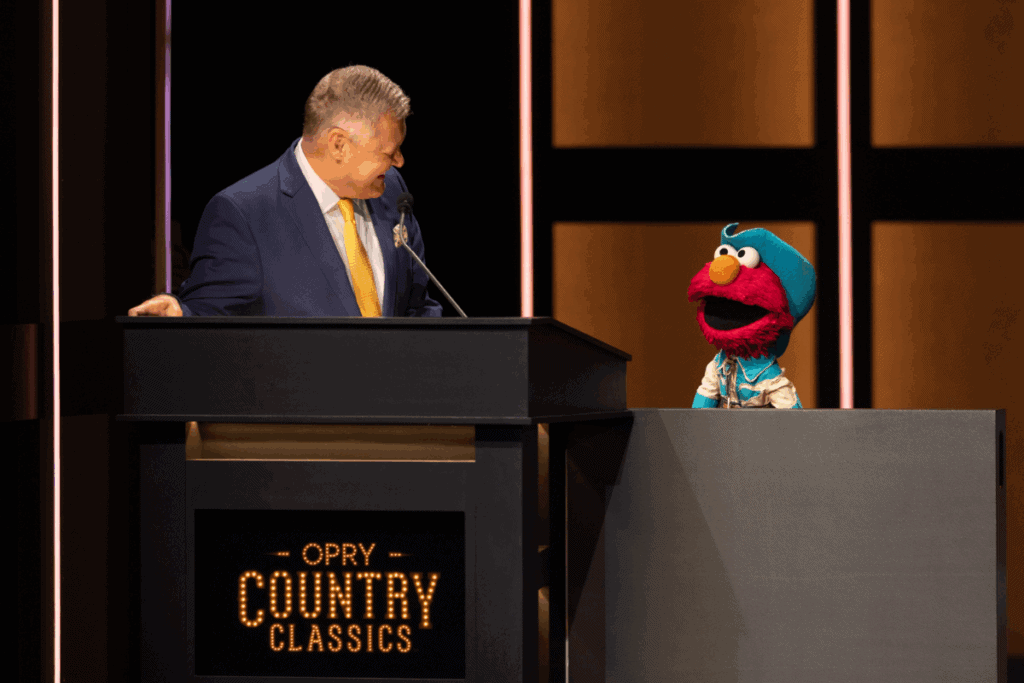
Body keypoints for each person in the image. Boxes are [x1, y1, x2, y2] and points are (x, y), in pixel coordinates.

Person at [128, 65, 441, 317]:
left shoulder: (391, 191)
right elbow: (210, 317)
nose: (399, 161)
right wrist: (181, 314)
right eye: (389, 152)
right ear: (338, 145)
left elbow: (416, 306)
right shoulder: (243, 214)